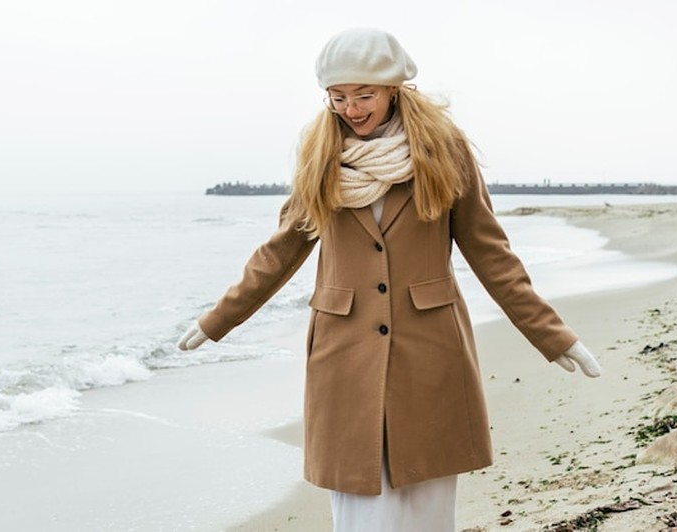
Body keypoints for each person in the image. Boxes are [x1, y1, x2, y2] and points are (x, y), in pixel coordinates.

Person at [178, 27, 602, 532]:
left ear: (394, 88)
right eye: (338, 97)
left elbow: (491, 254)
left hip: (430, 353)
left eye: (364, 95)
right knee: (361, 511)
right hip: (344, 357)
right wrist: (217, 321)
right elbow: (282, 250)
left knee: (427, 507)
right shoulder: (320, 154)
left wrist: (553, 336)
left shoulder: (443, 150)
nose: (351, 109)